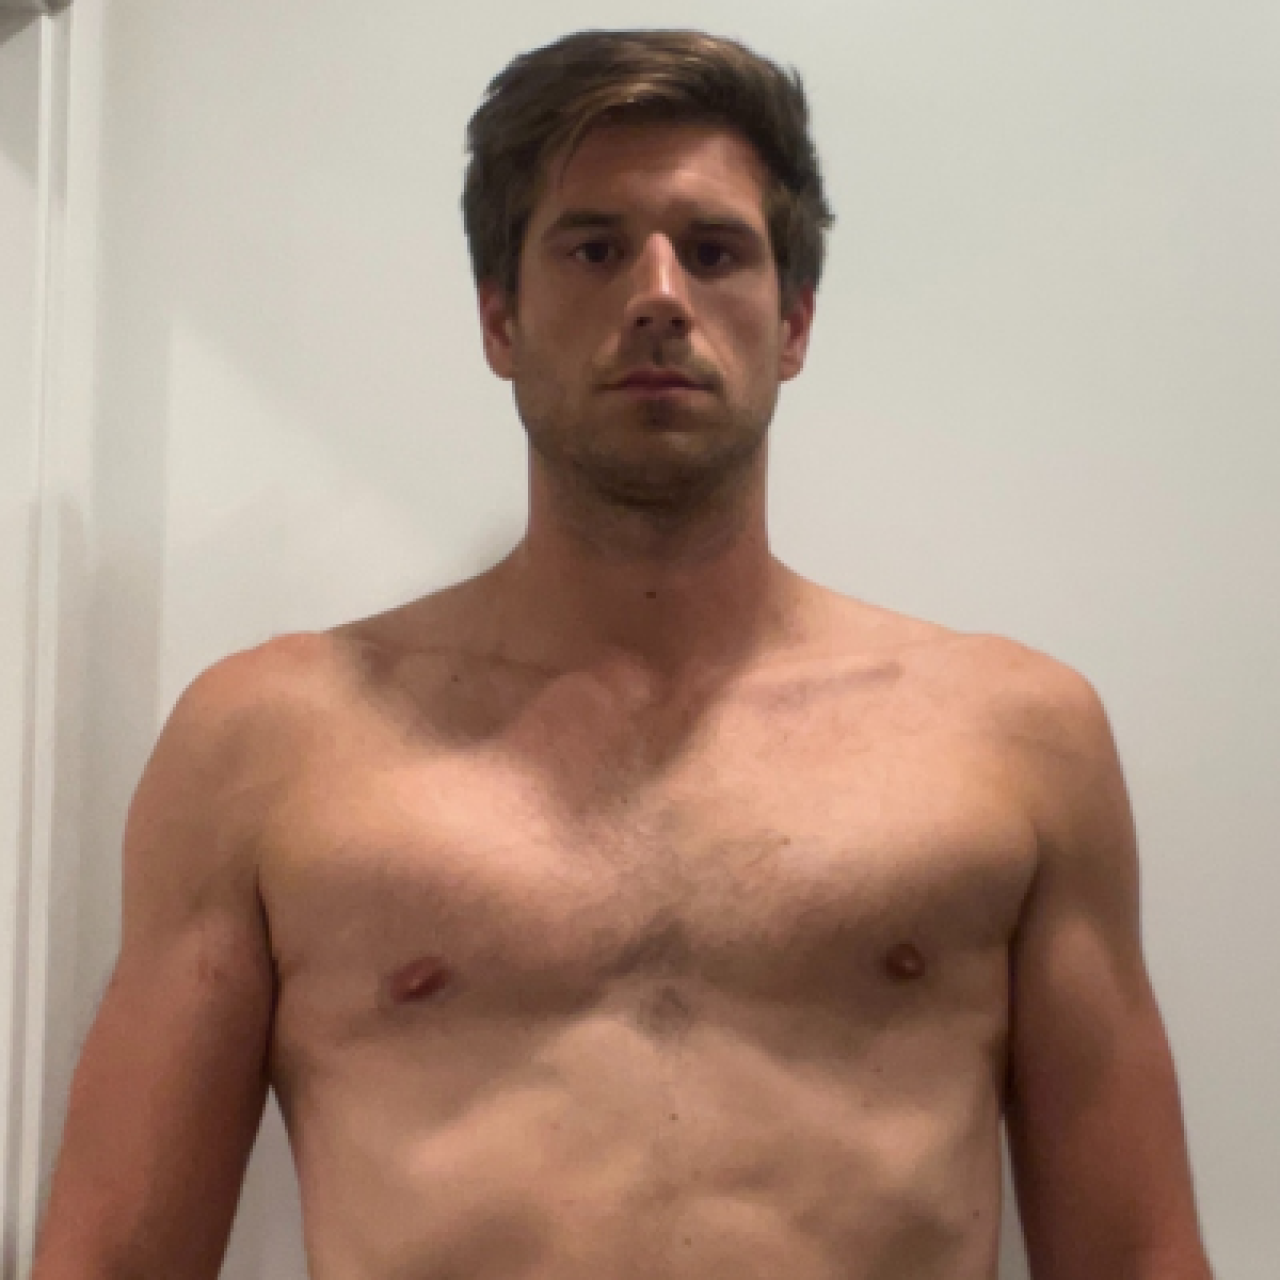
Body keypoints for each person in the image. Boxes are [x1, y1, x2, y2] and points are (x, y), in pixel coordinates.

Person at [31, 27, 1213, 1280]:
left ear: (793, 322)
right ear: (500, 318)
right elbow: (109, 1260)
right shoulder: (270, 744)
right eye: (593, 248)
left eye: (714, 251)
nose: (658, 294)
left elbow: (1136, 1253)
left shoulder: (1012, 738)